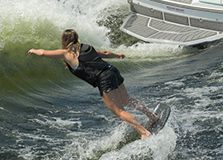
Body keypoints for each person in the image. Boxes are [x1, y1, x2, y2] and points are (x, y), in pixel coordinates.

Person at [28, 29, 158, 139]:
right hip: (112, 70)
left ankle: (144, 132)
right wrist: (118, 55)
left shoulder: (67, 53)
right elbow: (105, 54)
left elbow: (43, 53)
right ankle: (152, 117)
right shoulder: (87, 47)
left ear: (64, 41)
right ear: (77, 38)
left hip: (104, 78)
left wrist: (33, 50)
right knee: (126, 99)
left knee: (119, 112)